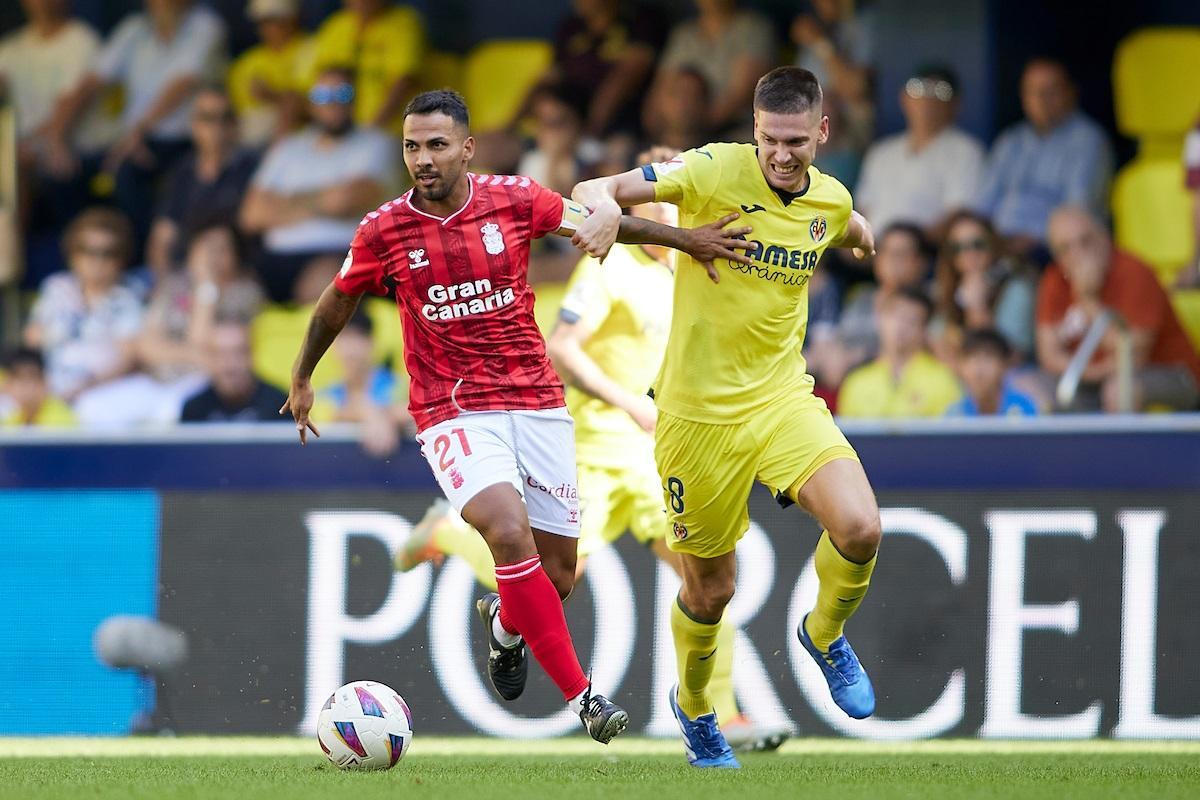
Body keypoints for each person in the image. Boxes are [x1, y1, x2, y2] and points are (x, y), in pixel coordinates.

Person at [280, 89, 752, 744]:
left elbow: (603, 223)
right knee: (506, 530)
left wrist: (686, 239)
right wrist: (303, 374)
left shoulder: (516, 198)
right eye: (412, 146)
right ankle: (583, 697)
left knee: (560, 575)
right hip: (449, 407)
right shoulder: (384, 228)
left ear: (467, 149)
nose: (423, 158)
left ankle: (504, 628)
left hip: (535, 402)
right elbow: (337, 302)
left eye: (437, 145)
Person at [393, 199, 792, 753]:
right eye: (657, 211)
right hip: (598, 450)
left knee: (704, 580)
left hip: (662, 455)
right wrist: (629, 403)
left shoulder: (691, 275)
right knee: (554, 580)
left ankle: (722, 713)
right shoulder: (611, 265)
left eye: (677, 211)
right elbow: (563, 347)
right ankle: (450, 535)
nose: (668, 223)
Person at [573, 66, 881, 768]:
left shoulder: (829, 201)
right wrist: (639, 222)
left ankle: (825, 635)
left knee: (861, 527)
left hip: (781, 401)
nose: (781, 154)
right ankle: (697, 708)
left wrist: (863, 236)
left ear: (821, 134)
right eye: (770, 139)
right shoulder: (712, 169)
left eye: (796, 141)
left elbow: (840, 223)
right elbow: (601, 190)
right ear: (753, 131)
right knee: (711, 591)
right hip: (695, 420)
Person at [41, 0, 228, 249]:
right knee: (62, 172)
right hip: (132, 139)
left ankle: (137, 259)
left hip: (185, 140)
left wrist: (138, 131)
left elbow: (182, 85)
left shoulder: (206, 25)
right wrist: (57, 139)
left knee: (126, 174)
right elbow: (92, 83)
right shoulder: (133, 29)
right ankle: (76, 261)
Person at [239, 66, 395, 302]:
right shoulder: (288, 146)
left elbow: (345, 201)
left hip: (339, 254)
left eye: (342, 94)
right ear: (311, 102)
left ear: (355, 98)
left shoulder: (376, 143)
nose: (331, 102)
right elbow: (251, 215)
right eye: (321, 95)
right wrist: (323, 200)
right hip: (273, 258)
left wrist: (283, 203)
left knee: (324, 285)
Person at [1036, 206, 1200, 412]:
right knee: (1028, 387)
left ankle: (1123, 446)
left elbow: (1132, 354)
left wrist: (1087, 300)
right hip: (1091, 378)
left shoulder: (1134, 272)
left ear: (1104, 237)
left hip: (1170, 374)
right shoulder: (1054, 278)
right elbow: (1048, 354)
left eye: (1085, 241)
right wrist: (1089, 372)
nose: (1077, 254)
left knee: (1119, 390)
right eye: (1065, 248)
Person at [975, 58, 1114, 256]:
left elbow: (1079, 211)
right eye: (1032, 91)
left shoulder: (1088, 140)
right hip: (998, 246)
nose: (1041, 98)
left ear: (1071, 93)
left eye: (1051, 91)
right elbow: (983, 205)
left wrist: (1036, 239)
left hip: (1052, 249)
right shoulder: (1010, 140)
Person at [23, 207, 143, 406]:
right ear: (73, 253)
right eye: (87, 251)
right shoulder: (56, 287)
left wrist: (85, 386)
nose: (97, 261)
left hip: (105, 391)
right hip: (49, 387)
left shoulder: (131, 295)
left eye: (108, 253)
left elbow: (129, 357)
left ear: (122, 257)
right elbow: (32, 338)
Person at [855, 64, 985, 234]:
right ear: (904, 98)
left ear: (956, 103)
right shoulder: (881, 151)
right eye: (918, 89)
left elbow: (960, 214)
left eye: (940, 92)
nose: (927, 100)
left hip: (926, 254)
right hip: (873, 252)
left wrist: (911, 249)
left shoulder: (967, 151)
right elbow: (862, 208)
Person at [146, 86, 259, 274]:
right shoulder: (181, 172)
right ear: (193, 125)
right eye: (208, 118)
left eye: (225, 118)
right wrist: (164, 280)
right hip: (184, 273)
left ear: (235, 123)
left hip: (235, 274)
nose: (217, 126)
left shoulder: (253, 167)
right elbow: (162, 238)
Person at [644, 0, 776, 140]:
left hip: (735, 130)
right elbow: (660, 92)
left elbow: (744, 91)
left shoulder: (753, 28)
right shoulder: (684, 34)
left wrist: (694, 126)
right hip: (680, 131)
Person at [838, 287, 961, 418]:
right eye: (895, 316)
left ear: (924, 331)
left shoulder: (943, 381)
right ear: (880, 318)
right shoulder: (856, 382)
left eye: (912, 321)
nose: (901, 326)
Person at [931, 210, 1036, 363]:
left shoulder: (1017, 288)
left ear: (993, 246)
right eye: (958, 248)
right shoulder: (948, 288)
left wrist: (977, 308)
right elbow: (937, 342)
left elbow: (1010, 358)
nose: (969, 253)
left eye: (978, 244)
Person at [307, 0, 425, 134]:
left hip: (390, 131)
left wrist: (371, 131)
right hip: (341, 130)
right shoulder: (336, 25)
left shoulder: (403, 22)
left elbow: (403, 81)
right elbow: (320, 81)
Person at [310, 307, 412, 457]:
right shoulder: (324, 394)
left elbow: (414, 412)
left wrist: (381, 414)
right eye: (343, 338)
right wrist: (366, 412)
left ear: (371, 342)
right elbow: (330, 417)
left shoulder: (398, 385)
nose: (350, 349)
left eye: (357, 338)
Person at [227, 0, 310, 147]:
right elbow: (237, 114)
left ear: (292, 19)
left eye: (275, 20)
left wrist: (272, 95)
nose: (268, 27)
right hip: (247, 140)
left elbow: (316, 107)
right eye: (263, 21)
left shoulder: (311, 50)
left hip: (299, 139)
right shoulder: (246, 63)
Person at [181, 319, 287, 422]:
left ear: (252, 355)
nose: (230, 365)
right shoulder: (194, 411)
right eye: (220, 355)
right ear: (208, 360)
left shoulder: (280, 406)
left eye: (238, 353)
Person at [947, 329, 1037, 417]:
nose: (979, 370)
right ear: (961, 366)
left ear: (1004, 365)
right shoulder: (954, 415)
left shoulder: (1025, 410)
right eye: (972, 359)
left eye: (987, 359)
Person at [0, 347, 76, 427]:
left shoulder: (61, 421)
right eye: (19, 379)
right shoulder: (10, 417)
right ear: (8, 385)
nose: (26, 388)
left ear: (44, 382)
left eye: (32, 378)